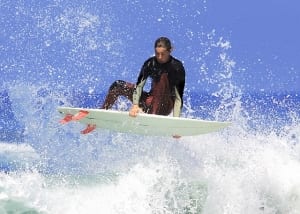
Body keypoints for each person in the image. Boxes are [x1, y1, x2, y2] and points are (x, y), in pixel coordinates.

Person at [81, 37, 186, 134]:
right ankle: (99, 116)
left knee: (163, 78)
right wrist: (135, 105)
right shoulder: (150, 64)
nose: (159, 57)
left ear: (170, 50)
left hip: (165, 106)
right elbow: (139, 86)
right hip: (149, 103)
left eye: (163, 54)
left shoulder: (177, 67)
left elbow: (178, 98)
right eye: (157, 53)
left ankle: (153, 116)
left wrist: (175, 124)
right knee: (117, 85)